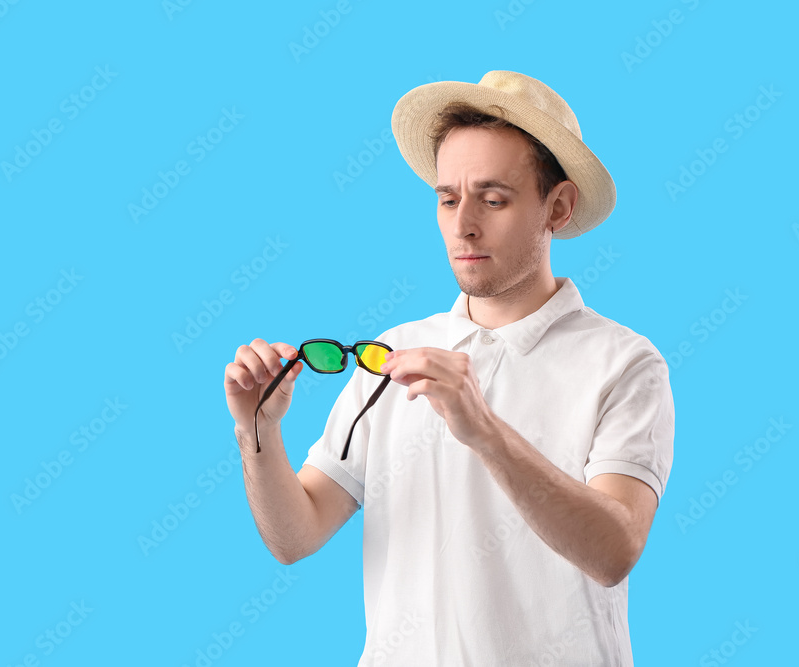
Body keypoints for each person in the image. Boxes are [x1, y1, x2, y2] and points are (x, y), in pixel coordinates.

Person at [224, 70, 674, 666]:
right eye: (447, 198)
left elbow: (615, 549)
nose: (463, 223)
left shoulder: (624, 363)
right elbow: (296, 535)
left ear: (557, 207)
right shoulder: (393, 352)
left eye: (493, 199)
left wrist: (483, 429)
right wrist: (258, 433)